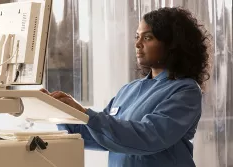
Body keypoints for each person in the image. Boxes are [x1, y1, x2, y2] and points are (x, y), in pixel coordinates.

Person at [41, 7, 211, 167]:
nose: (137, 44)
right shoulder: (129, 90)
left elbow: (148, 137)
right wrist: (63, 112)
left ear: (172, 44)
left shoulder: (185, 91)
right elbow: (102, 136)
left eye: (147, 37)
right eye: (137, 36)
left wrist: (87, 114)